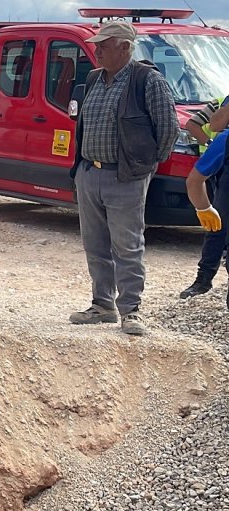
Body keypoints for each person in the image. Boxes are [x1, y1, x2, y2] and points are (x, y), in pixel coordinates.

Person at [67, 21, 178, 336]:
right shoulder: (93, 79)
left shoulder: (148, 80)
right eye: (97, 44)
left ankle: (131, 310)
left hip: (125, 176)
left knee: (127, 245)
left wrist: (145, 167)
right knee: (95, 244)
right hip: (90, 172)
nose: (97, 50)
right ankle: (102, 305)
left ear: (125, 48)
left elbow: (168, 130)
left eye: (104, 45)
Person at [178, 97, 229, 299]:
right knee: (216, 229)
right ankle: (204, 279)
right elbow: (211, 124)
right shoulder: (225, 138)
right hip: (220, 177)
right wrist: (204, 208)